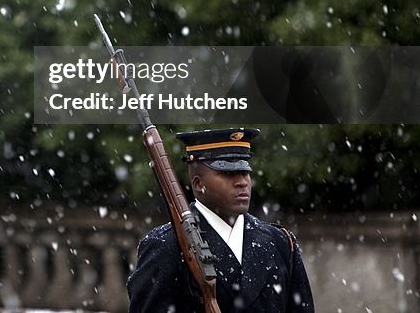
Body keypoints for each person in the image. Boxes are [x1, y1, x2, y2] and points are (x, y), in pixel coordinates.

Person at [126, 128, 315, 312]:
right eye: (228, 174)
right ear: (198, 184)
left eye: (245, 172)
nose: (242, 182)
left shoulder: (281, 243)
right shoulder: (165, 246)